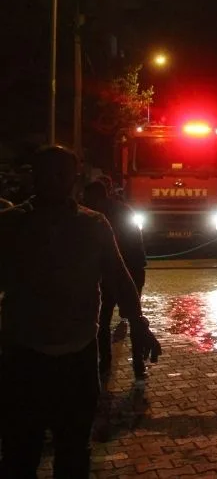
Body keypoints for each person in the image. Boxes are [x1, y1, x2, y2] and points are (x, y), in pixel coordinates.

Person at [0, 146, 161, 477]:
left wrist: (140, 323)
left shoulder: (94, 225)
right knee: (20, 452)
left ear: (73, 180)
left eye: (64, 174)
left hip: (77, 359)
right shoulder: (11, 225)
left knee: (73, 452)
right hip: (24, 358)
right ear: (36, 176)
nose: (57, 181)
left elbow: (119, 277)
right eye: (50, 173)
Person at [82, 179, 148, 384]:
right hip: (133, 270)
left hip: (115, 272)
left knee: (103, 320)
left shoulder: (94, 218)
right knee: (133, 317)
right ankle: (138, 366)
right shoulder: (123, 210)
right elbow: (136, 242)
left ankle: (105, 365)